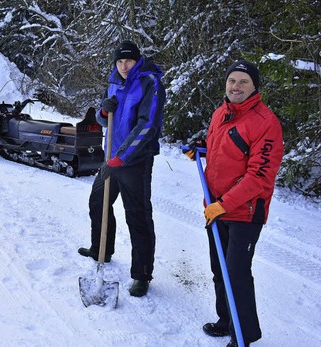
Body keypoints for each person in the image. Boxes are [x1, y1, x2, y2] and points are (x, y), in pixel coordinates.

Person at [184, 60, 284, 347]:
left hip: (245, 211)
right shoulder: (220, 113)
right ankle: (227, 321)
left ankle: (244, 335)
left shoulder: (266, 123)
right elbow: (220, 148)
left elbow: (259, 177)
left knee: (236, 272)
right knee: (220, 269)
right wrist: (200, 150)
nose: (236, 86)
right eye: (232, 81)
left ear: (254, 87)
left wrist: (224, 204)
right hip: (215, 205)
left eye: (243, 82)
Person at [78, 40, 166, 297]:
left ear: (137, 60)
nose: (124, 66)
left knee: (137, 215)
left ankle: (141, 274)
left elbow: (147, 125)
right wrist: (103, 113)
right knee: (98, 202)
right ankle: (101, 249)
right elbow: (103, 119)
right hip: (111, 156)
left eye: (128, 61)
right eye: (119, 61)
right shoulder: (114, 81)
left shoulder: (150, 83)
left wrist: (123, 156)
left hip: (135, 160)